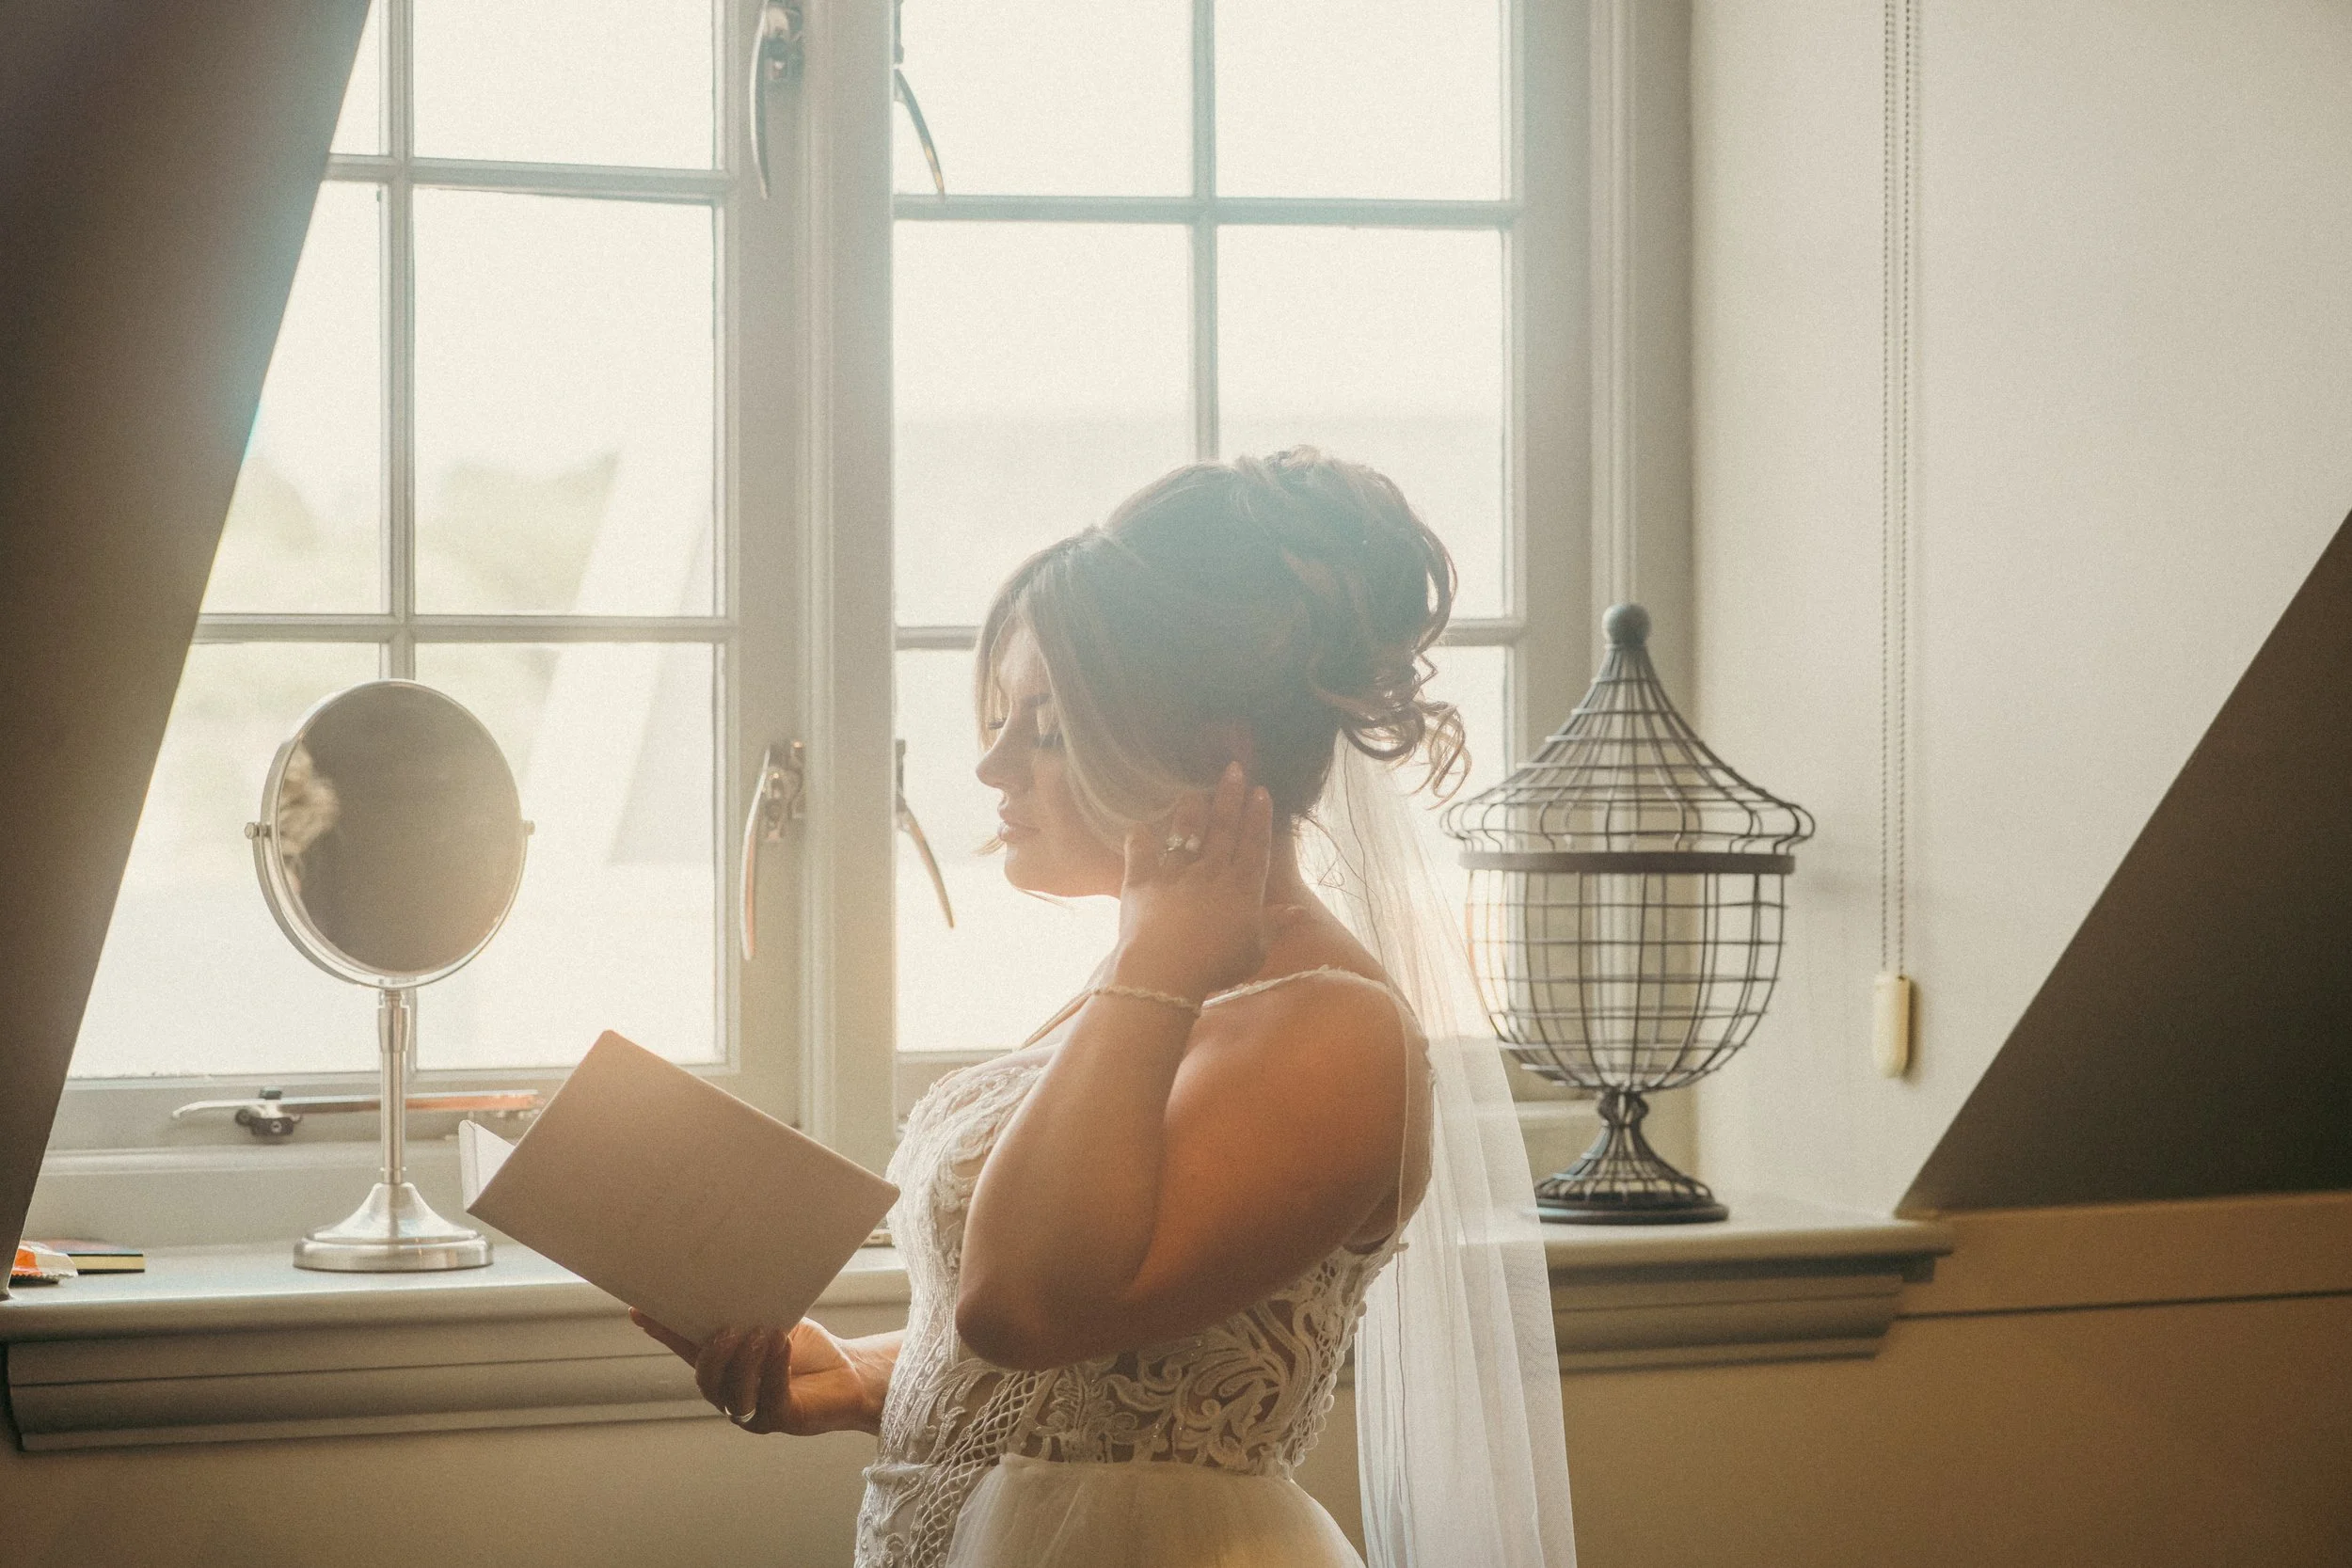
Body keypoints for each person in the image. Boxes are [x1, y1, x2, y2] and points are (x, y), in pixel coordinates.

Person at [634, 450, 1573, 1567]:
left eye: (1042, 727)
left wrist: (1156, 961)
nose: (989, 767)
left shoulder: (1331, 1029)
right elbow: (1103, 1373)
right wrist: (858, 1376)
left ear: (1216, 760)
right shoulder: (1151, 987)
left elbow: (1023, 1302)